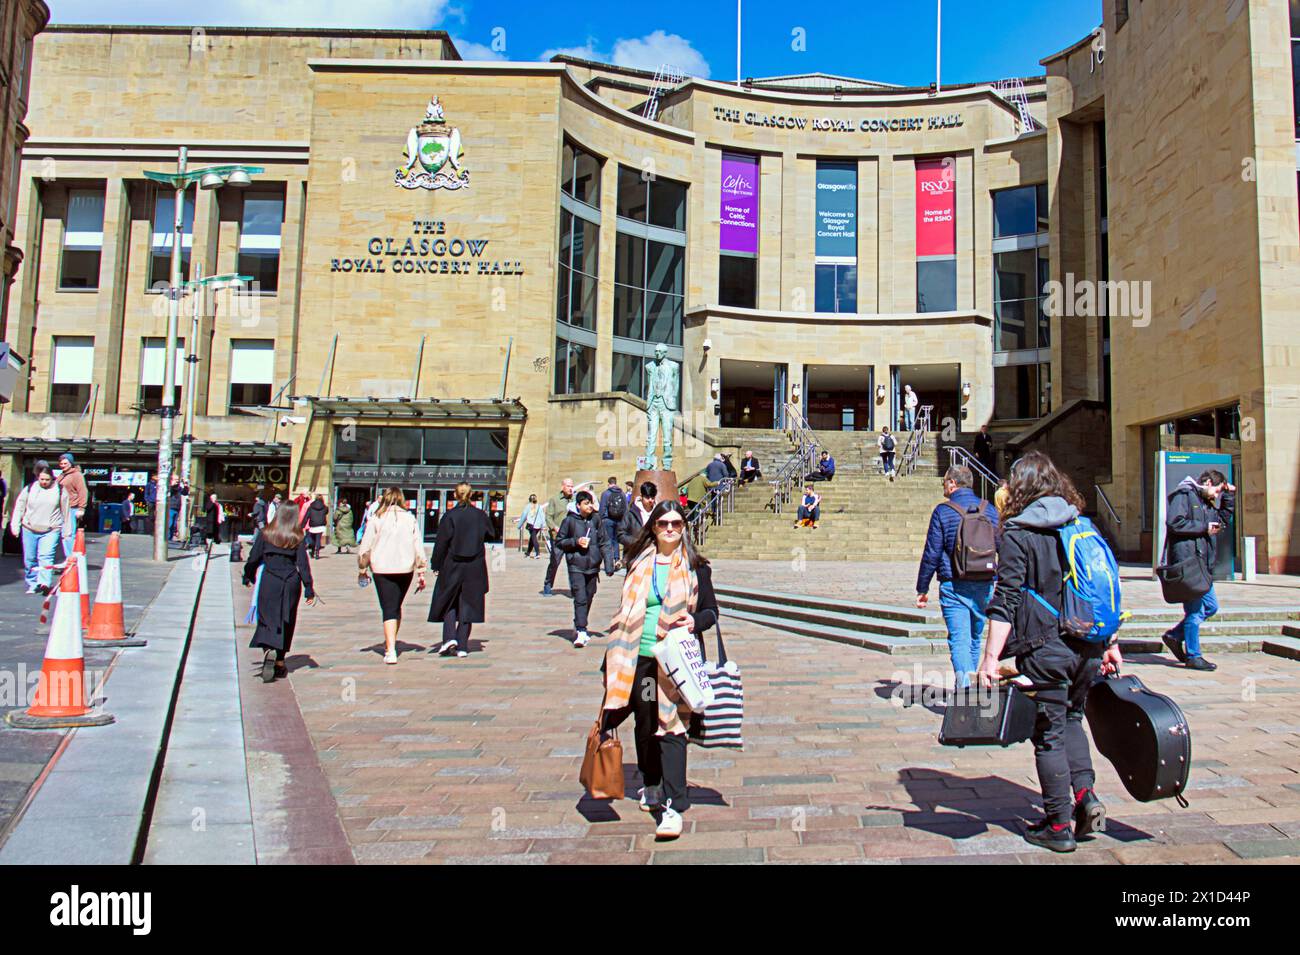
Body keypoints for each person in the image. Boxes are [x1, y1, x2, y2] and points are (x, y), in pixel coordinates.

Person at [977, 451, 1121, 853]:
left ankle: (1058, 826)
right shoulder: (1081, 524)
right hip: (1089, 645)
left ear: (1020, 488)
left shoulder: (1020, 533)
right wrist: (1111, 643)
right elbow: (1100, 588)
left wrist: (990, 659)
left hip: (1047, 648)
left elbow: (1004, 600)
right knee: (1073, 719)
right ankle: (1084, 796)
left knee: (1049, 735)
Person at [601, 499, 719, 840]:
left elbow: (711, 613)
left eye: (676, 524)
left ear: (684, 528)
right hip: (639, 658)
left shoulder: (698, 567)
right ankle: (650, 782)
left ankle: (674, 805)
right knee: (645, 721)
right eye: (663, 523)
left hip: (675, 660)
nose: (670, 529)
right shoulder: (638, 564)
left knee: (673, 725)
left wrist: (694, 619)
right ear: (652, 527)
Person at [916, 466, 1000, 689]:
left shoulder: (943, 512)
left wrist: (922, 588)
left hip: (954, 584)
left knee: (959, 640)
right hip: (985, 583)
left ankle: (966, 691)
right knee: (974, 639)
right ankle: (972, 688)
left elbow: (932, 553)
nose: (943, 485)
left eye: (945, 481)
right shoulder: (989, 510)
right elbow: (1002, 545)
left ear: (953, 483)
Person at [1161, 469, 1236, 672]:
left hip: (1203, 566)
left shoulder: (1205, 502)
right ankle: (1194, 656)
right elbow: (1174, 522)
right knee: (1194, 612)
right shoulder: (1184, 495)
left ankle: (1175, 636)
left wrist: (1228, 495)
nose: (1217, 496)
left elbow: (1222, 520)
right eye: (1218, 491)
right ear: (1209, 482)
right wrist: (1204, 527)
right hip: (1189, 564)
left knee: (1211, 607)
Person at [242, 502, 316, 683]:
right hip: (290, 581)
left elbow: (254, 557)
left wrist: (248, 575)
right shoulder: (297, 536)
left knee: (267, 617)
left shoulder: (266, 533)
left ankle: (268, 649)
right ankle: (281, 661)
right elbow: (303, 564)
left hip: (270, 579)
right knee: (286, 619)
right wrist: (309, 588)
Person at [357, 487, 427, 664]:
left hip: (382, 568)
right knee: (396, 606)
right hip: (405, 568)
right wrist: (421, 569)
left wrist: (362, 567)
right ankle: (391, 642)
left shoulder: (376, 519)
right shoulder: (410, 518)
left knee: (389, 607)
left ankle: (390, 650)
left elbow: (366, 546)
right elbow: (418, 545)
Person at [428, 483, 493, 658]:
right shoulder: (480, 515)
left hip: (452, 563)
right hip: (475, 565)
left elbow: (441, 543)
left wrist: (436, 564)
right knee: (469, 603)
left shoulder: (450, 516)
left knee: (449, 599)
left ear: (455, 496)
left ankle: (449, 637)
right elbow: (492, 534)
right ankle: (462, 645)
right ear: (471, 495)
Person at [9, 465, 69, 595]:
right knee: (29, 559)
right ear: (38, 478)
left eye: (47, 479)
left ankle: (44, 584)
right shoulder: (29, 489)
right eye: (42, 479)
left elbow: (66, 512)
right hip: (29, 528)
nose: (44, 482)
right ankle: (32, 583)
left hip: (51, 529)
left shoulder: (59, 490)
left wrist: (66, 531)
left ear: (52, 478)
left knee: (46, 557)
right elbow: (20, 507)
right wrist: (15, 525)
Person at [557, 490, 604, 647]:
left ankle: (579, 622)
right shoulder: (569, 521)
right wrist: (576, 542)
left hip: (592, 566)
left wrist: (609, 564)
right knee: (580, 597)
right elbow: (560, 541)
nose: (590, 506)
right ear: (578, 505)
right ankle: (581, 631)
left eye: (591, 503)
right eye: (586, 503)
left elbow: (604, 541)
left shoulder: (596, 520)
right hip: (576, 565)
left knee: (589, 595)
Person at [541, 477, 576, 597]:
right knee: (555, 561)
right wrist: (555, 527)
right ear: (563, 487)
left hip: (572, 537)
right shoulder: (554, 500)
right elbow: (548, 517)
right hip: (558, 537)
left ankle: (574, 588)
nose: (571, 488)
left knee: (573, 563)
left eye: (572, 486)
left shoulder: (576, 500)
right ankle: (548, 584)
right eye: (568, 486)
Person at [55, 453, 88, 561]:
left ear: (71, 463)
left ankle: (71, 559)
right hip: (61, 509)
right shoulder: (62, 475)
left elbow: (82, 491)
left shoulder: (76, 475)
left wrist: (81, 508)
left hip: (71, 508)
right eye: (61, 463)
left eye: (65, 463)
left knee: (68, 535)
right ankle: (67, 558)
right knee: (62, 535)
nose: (63, 465)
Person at [618, 481, 659, 564]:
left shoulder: (659, 512)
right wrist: (635, 542)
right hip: (634, 557)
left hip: (654, 556)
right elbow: (620, 534)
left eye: (652, 497)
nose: (650, 500)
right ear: (641, 496)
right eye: (647, 497)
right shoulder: (630, 513)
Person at [597, 476, 627, 577]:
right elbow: (626, 508)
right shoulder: (622, 493)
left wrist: (600, 520)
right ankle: (617, 560)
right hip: (619, 520)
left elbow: (602, 508)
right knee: (616, 541)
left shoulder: (606, 493)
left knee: (608, 541)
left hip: (607, 519)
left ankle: (609, 564)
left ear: (609, 483)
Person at [517, 494, 546, 559]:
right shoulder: (539, 507)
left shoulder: (528, 506)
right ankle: (528, 553)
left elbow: (524, 516)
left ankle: (537, 553)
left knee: (534, 539)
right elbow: (542, 516)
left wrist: (519, 525)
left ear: (529, 500)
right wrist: (543, 525)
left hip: (531, 525)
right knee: (532, 539)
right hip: (538, 526)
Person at [302, 493, 329, 558]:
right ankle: (317, 553)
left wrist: (302, 525)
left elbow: (306, 516)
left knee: (312, 539)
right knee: (318, 539)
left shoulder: (311, 507)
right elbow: (326, 512)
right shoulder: (325, 507)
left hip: (313, 525)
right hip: (321, 525)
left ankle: (313, 551)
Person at [167, 474, 189, 542]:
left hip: (177, 507)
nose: (177, 481)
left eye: (178, 479)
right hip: (171, 507)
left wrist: (185, 485)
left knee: (174, 525)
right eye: (176, 479)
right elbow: (171, 491)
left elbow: (185, 493)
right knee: (170, 524)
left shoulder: (179, 488)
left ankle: (170, 538)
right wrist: (172, 484)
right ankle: (167, 538)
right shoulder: (170, 487)